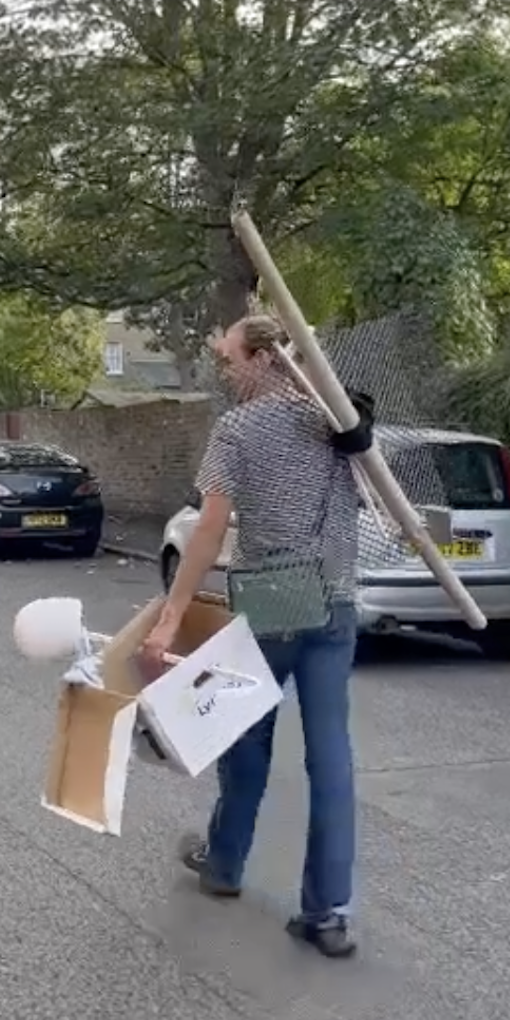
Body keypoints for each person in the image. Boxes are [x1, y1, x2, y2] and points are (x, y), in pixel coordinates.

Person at [142, 314, 371, 959]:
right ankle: (327, 913)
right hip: (335, 603)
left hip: (272, 604)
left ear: (263, 359)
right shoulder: (337, 420)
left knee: (245, 742)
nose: (226, 372)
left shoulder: (236, 429)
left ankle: (224, 864)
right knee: (331, 756)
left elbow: (210, 531)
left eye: (231, 360)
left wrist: (171, 612)